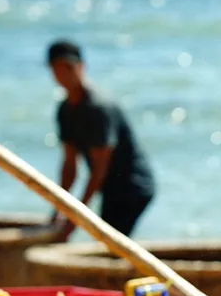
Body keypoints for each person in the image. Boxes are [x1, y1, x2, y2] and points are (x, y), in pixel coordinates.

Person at [46, 40, 155, 240]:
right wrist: (57, 211)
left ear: (81, 67)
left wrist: (75, 218)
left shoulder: (98, 108)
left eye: (68, 68)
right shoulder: (65, 110)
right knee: (109, 241)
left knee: (112, 243)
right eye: (57, 69)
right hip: (109, 186)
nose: (63, 75)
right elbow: (70, 167)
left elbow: (99, 170)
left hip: (132, 186)